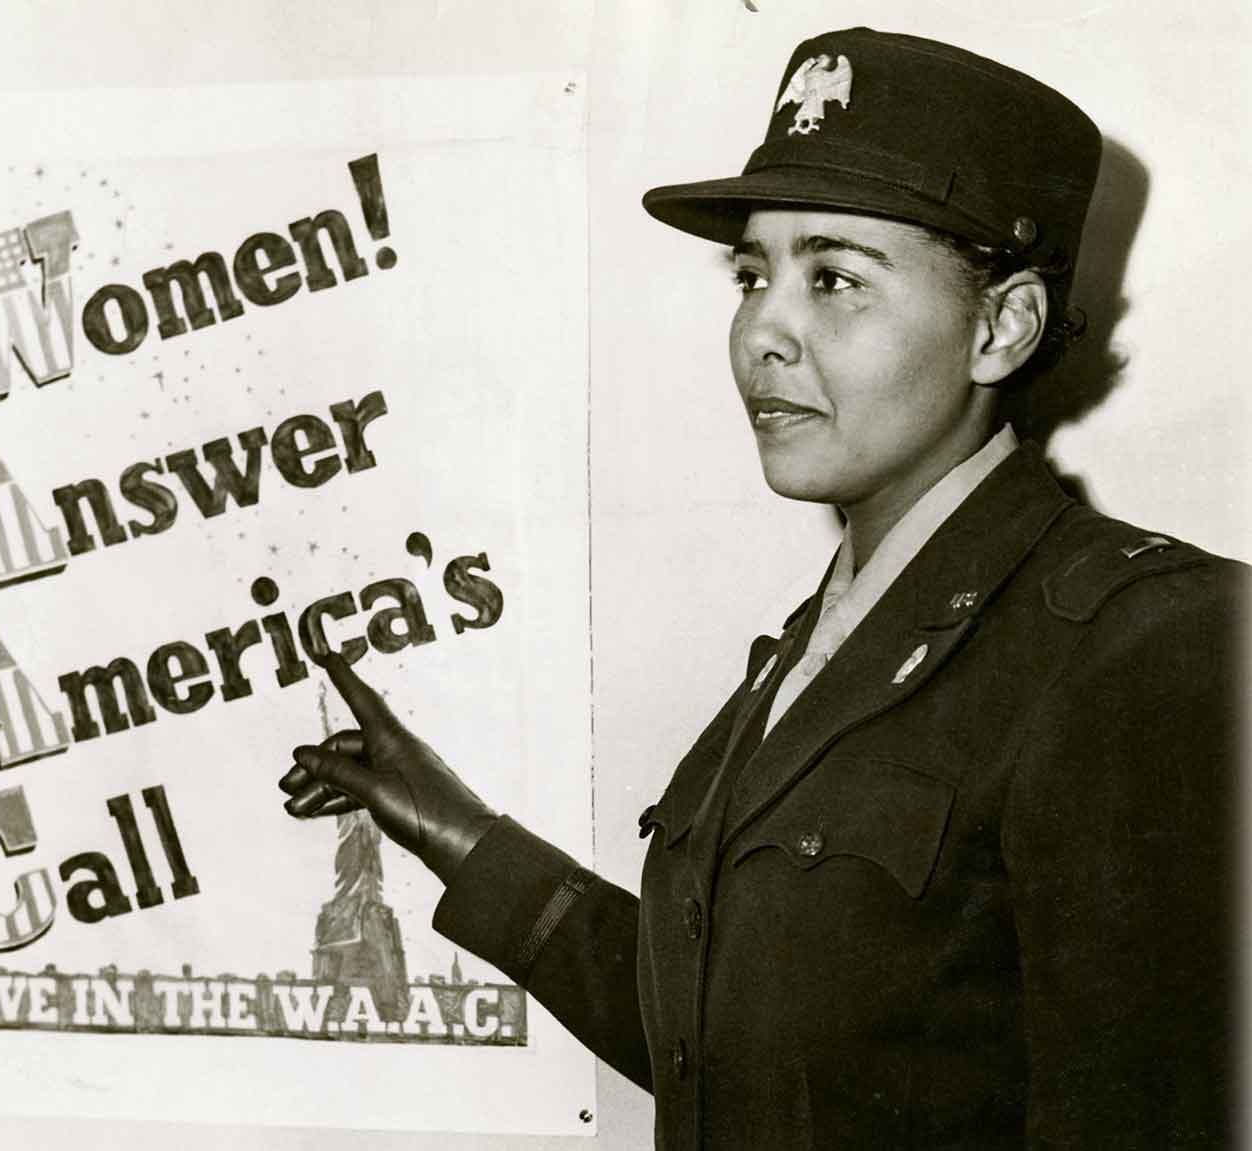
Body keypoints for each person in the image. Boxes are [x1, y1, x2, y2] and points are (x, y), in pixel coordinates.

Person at [277, 27, 1245, 1150]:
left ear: (1001, 325)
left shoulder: (1152, 641)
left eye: (833, 277)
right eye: (752, 274)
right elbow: (745, 1051)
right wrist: (461, 833)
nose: (762, 332)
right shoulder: (833, 631)